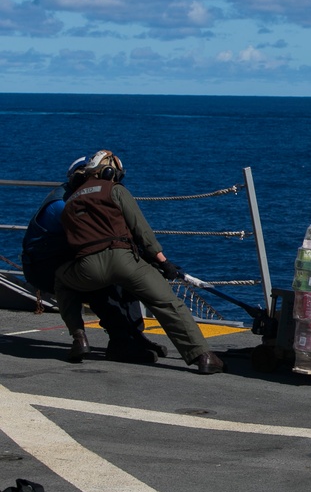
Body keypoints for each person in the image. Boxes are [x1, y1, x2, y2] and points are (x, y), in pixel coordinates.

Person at [54, 150, 225, 374]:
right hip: (125, 261)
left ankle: (79, 337)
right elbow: (142, 232)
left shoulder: (69, 204)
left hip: (87, 268)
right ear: (109, 172)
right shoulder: (115, 190)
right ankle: (203, 357)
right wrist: (163, 262)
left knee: (61, 280)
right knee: (167, 304)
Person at [21, 156, 167, 364]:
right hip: (44, 267)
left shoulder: (78, 198)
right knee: (102, 284)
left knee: (124, 276)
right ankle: (119, 344)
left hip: (66, 257)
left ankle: (134, 337)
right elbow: (95, 241)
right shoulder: (63, 205)